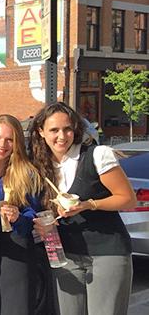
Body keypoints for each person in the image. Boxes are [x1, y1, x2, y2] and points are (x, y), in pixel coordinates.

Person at [28, 102, 136, 315]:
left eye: (67, 129)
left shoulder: (97, 155)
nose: (62, 136)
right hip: (65, 255)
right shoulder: (39, 165)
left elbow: (128, 199)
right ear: (41, 132)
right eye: (54, 130)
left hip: (107, 252)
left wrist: (88, 204)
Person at [0, 115, 43, 315]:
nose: (2, 144)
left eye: (9, 139)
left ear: (17, 143)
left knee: (14, 306)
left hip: (15, 248)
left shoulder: (27, 172)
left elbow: (34, 215)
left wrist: (18, 217)